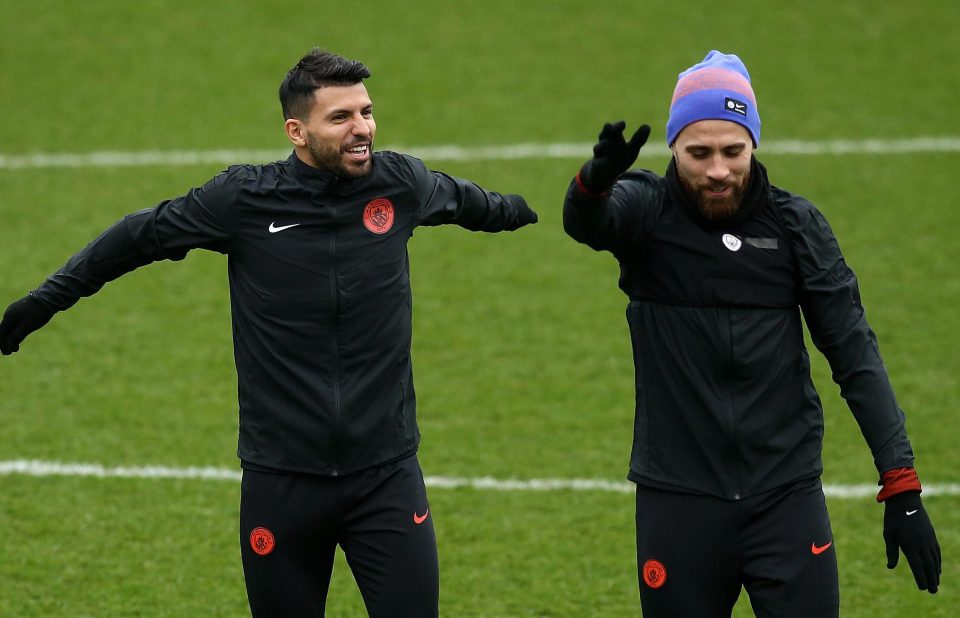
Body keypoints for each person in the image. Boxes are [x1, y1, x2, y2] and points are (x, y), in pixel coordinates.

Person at [0, 48, 537, 617]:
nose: (363, 130)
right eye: (342, 118)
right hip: (282, 481)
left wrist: (547, 207)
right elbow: (136, 237)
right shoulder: (244, 200)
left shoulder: (400, 183)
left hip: (386, 474)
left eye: (366, 112)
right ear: (296, 131)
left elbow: (473, 203)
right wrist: (38, 306)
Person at [562, 50, 940, 617]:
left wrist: (901, 482)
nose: (717, 170)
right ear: (672, 149)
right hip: (678, 501)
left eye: (732, 151)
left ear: (754, 145)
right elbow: (587, 224)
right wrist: (593, 183)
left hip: (784, 500)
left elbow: (854, 352)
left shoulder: (796, 226)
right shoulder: (646, 211)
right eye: (699, 153)